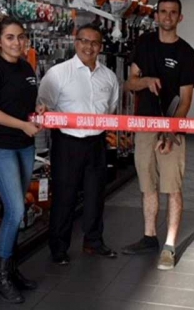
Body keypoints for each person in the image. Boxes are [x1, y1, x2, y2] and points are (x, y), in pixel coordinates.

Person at [122, 0, 194, 271]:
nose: (167, 17)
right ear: (156, 16)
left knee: (173, 187)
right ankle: (148, 237)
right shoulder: (143, 45)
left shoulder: (187, 53)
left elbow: (186, 99)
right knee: (147, 186)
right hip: (144, 126)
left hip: (173, 128)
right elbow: (129, 84)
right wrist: (144, 80)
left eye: (173, 13)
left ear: (180, 18)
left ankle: (169, 245)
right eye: (163, 12)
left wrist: (171, 131)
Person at [38, 23, 120, 265]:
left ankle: (93, 242)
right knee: (65, 196)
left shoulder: (109, 77)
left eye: (94, 42)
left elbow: (111, 108)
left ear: (101, 47)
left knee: (96, 195)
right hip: (67, 143)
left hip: (97, 142)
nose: (89, 46)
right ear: (76, 43)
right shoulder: (58, 73)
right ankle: (59, 248)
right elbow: (44, 106)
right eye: (84, 41)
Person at [0, 17, 43, 304]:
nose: (17, 42)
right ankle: (0, 276)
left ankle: (11, 269)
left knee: (14, 210)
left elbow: (23, 102)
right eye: (10, 37)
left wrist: (38, 109)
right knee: (16, 210)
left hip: (24, 145)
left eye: (21, 37)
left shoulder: (27, 66)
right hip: (1, 146)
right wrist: (22, 125)